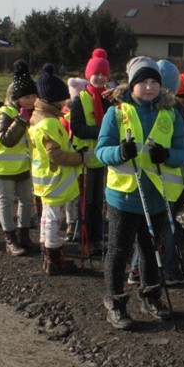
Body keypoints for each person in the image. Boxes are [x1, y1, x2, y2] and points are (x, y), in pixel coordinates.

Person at [95, 57, 184, 330]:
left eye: (154, 82)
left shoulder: (171, 114)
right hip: (124, 196)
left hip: (157, 195)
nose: (149, 87)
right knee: (119, 250)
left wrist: (167, 155)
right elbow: (101, 151)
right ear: (132, 85)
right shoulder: (117, 113)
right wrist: (119, 152)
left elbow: (183, 154)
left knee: (150, 249)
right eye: (143, 82)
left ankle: (151, 297)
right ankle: (115, 301)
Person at [28, 64, 82, 275]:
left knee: (47, 217)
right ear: (55, 100)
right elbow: (56, 154)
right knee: (53, 218)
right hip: (54, 178)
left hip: (44, 177)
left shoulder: (37, 118)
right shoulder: (49, 123)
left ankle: (49, 255)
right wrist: (79, 158)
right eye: (62, 99)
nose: (65, 103)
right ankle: (53, 258)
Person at [0, 60, 37, 257]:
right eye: (27, 97)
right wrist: (22, 119)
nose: (32, 100)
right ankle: (10, 239)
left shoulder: (33, 112)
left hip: (24, 165)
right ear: (17, 98)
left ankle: (24, 236)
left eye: (34, 95)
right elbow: (6, 139)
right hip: (3, 166)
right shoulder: (5, 113)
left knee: (27, 200)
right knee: (6, 201)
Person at [67, 48, 112, 252]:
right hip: (86, 156)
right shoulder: (80, 99)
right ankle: (85, 239)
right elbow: (76, 127)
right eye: (97, 74)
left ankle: (96, 236)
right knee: (87, 201)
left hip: (103, 157)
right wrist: (100, 131)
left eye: (104, 74)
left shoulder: (109, 98)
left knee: (99, 200)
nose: (101, 77)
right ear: (89, 75)